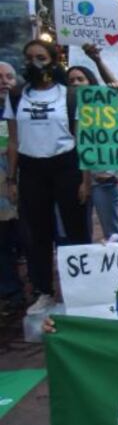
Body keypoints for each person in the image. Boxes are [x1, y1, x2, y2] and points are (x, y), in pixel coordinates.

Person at [3, 40, 90, 314]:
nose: (34, 63)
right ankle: (43, 290)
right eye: (29, 58)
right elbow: (14, 141)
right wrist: (11, 179)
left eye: (40, 57)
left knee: (75, 231)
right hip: (31, 169)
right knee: (36, 234)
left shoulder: (70, 95)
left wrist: (85, 180)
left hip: (66, 165)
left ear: (53, 60)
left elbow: (83, 139)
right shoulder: (17, 96)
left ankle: (81, 290)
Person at [66, 64, 118, 242]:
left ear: (91, 82)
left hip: (103, 178)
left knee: (112, 234)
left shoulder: (104, 105)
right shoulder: (65, 108)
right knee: (78, 232)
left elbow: (117, 88)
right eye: (71, 81)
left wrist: (96, 59)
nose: (76, 84)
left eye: (80, 79)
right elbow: (80, 143)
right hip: (72, 177)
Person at [0, 60, 24, 314]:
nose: (4, 81)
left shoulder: (22, 107)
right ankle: (11, 291)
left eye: (8, 76)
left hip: (20, 185)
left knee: (27, 237)